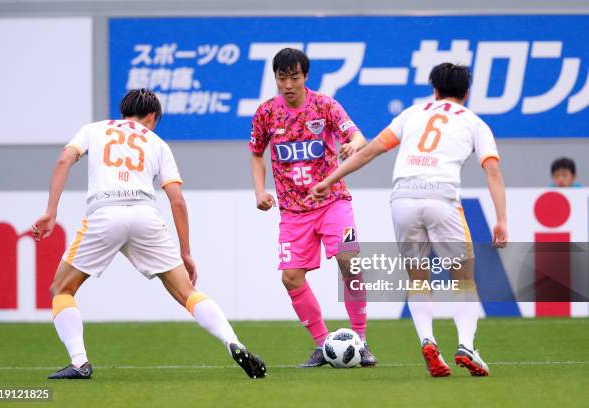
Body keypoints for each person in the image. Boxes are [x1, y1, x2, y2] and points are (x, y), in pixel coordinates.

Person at [32, 89, 266, 380]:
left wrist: (51, 212)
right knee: (186, 292)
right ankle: (233, 341)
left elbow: (63, 160)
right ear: (152, 117)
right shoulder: (157, 143)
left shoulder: (94, 130)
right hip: (145, 215)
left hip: (104, 213)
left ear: (123, 112)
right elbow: (177, 200)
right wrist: (186, 252)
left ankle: (80, 362)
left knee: (61, 289)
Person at [310, 63, 508, 377]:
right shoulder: (474, 122)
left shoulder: (413, 114)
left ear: (434, 90)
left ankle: (428, 341)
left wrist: (329, 179)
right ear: (466, 93)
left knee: (418, 279)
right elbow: (492, 170)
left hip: (402, 199)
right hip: (441, 198)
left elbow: (369, 150)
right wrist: (501, 220)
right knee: (464, 279)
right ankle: (466, 345)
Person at [249, 48, 377, 367]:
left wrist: (351, 145)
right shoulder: (266, 113)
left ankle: (360, 342)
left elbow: (358, 137)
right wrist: (260, 191)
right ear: (275, 78)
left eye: (294, 77)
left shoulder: (325, 105)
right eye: (282, 78)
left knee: (351, 263)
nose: (288, 84)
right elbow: (255, 152)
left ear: (305, 77)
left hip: (333, 202)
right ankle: (324, 345)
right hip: (293, 212)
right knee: (291, 277)